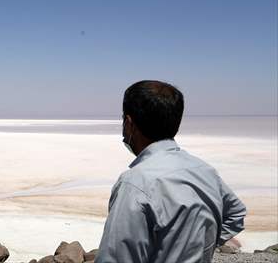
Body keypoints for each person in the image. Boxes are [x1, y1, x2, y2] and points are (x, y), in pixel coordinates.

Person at [95, 80, 247, 263]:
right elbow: (236, 213)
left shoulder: (135, 183)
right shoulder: (204, 170)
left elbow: (116, 258)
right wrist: (199, 244)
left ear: (129, 123)